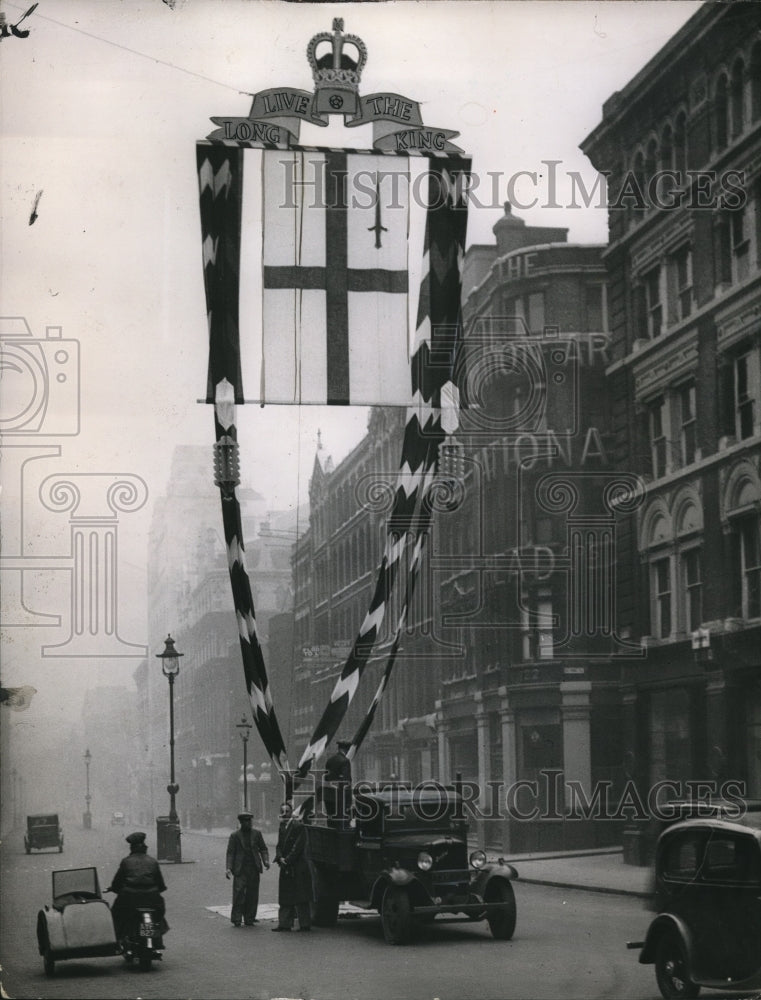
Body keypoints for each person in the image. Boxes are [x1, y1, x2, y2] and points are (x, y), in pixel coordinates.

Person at [109, 831, 168, 939]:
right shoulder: (152, 861)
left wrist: (114, 888)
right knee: (158, 914)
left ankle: (120, 938)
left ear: (132, 847)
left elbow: (117, 881)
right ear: (144, 847)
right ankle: (155, 936)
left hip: (130, 897)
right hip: (151, 897)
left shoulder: (126, 861)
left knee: (116, 914)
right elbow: (160, 883)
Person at [272, 802, 312, 932]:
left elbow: (298, 847)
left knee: (301, 896)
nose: (284, 814)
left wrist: (287, 860)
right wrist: (279, 857)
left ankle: (305, 924)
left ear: (291, 812)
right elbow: (278, 845)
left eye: (287, 811)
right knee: (285, 896)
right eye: (282, 811)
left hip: (298, 866)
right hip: (286, 866)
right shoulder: (282, 826)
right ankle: (284, 924)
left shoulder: (298, 826)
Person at [225, 812, 270, 927]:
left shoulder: (257, 834)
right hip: (240, 869)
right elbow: (230, 853)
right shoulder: (235, 836)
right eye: (245, 821)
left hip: (254, 867)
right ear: (241, 822)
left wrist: (266, 861)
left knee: (252, 893)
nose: (248, 823)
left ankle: (250, 918)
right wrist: (229, 868)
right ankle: (237, 918)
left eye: (249, 821)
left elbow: (263, 849)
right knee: (239, 893)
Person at [323, 739, 352, 826]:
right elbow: (346, 782)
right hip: (340, 799)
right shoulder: (345, 761)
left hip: (329, 798)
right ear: (346, 749)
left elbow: (326, 778)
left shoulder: (329, 761)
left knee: (331, 822)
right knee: (342, 823)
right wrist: (348, 802)